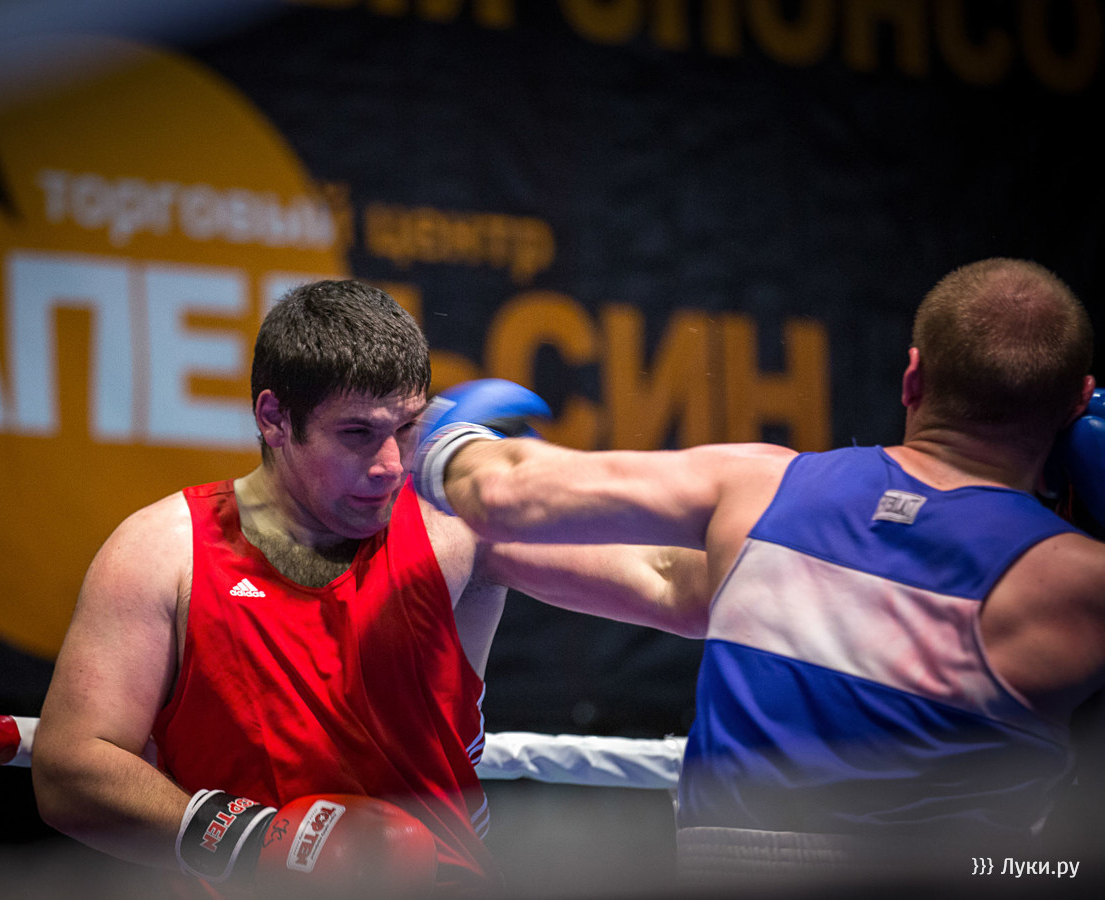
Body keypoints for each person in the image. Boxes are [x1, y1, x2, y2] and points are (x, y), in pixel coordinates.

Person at [415, 258, 1105, 882]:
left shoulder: (764, 488)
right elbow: (675, 582)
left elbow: (501, 491)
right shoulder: (1077, 583)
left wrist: (443, 437)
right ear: (1079, 401)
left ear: (913, 377)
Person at [31, 279, 708, 896]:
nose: (388, 465)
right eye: (357, 433)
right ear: (274, 418)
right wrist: (249, 842)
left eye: (406, 428)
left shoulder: (456, 524)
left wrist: (771, 517)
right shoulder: (164, 552)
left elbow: (670, 582)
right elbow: (69, 767)